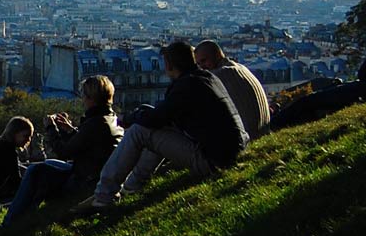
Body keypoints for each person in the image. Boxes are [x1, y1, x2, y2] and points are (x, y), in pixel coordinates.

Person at [73, 41, 248, 212]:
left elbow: (156, 119)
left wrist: (129, 118)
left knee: (138, 132)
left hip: (214, 160)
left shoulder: (186, 86)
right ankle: (132, 185)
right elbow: (163, 117)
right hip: (233, 150)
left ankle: (104, 197)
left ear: (169, 65)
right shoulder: (206, 78)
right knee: (149, 126)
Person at [3, 75, 124, 225]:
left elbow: (64, 152)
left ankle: (11, 221)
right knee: (49, 162)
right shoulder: (110, 118)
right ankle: (28, 212)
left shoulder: (96, 123)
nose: (83, 100)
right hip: (95, 173)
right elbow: (87, 145)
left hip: (85, 181)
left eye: (84, 96)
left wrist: (51, 128)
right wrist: (71, 131)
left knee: (35, 171)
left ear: (91, 98)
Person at [194, 40, 272, 137]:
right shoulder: (241, 68)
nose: (202, 67)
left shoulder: (219, 76)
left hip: (248, 139)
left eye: (204, 61)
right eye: (199, 64)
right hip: (263, 132)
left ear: (217, 55)